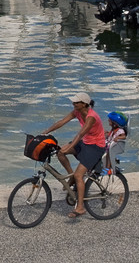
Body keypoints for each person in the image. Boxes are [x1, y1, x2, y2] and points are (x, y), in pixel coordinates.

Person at [38, 90, 107, 218]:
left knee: (79, 175)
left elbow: (80, 134)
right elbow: (62, 121)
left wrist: (70, 146)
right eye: (74, 102)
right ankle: (72, 178)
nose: (73, 103)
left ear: (84, 104)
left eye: (76, 102)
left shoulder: (91, 117)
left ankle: (80, 207)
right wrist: (46, 132)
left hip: (96, 147)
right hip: (85, 143)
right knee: (60, 153)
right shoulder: (77, 112)